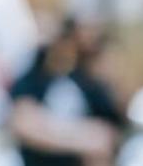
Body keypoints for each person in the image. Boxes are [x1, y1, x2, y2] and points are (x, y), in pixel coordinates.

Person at [9, 18, 126, 166]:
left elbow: (106, 137)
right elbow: (24, 124)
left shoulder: (88, 82)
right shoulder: (33, 78)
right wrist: (81, 137)